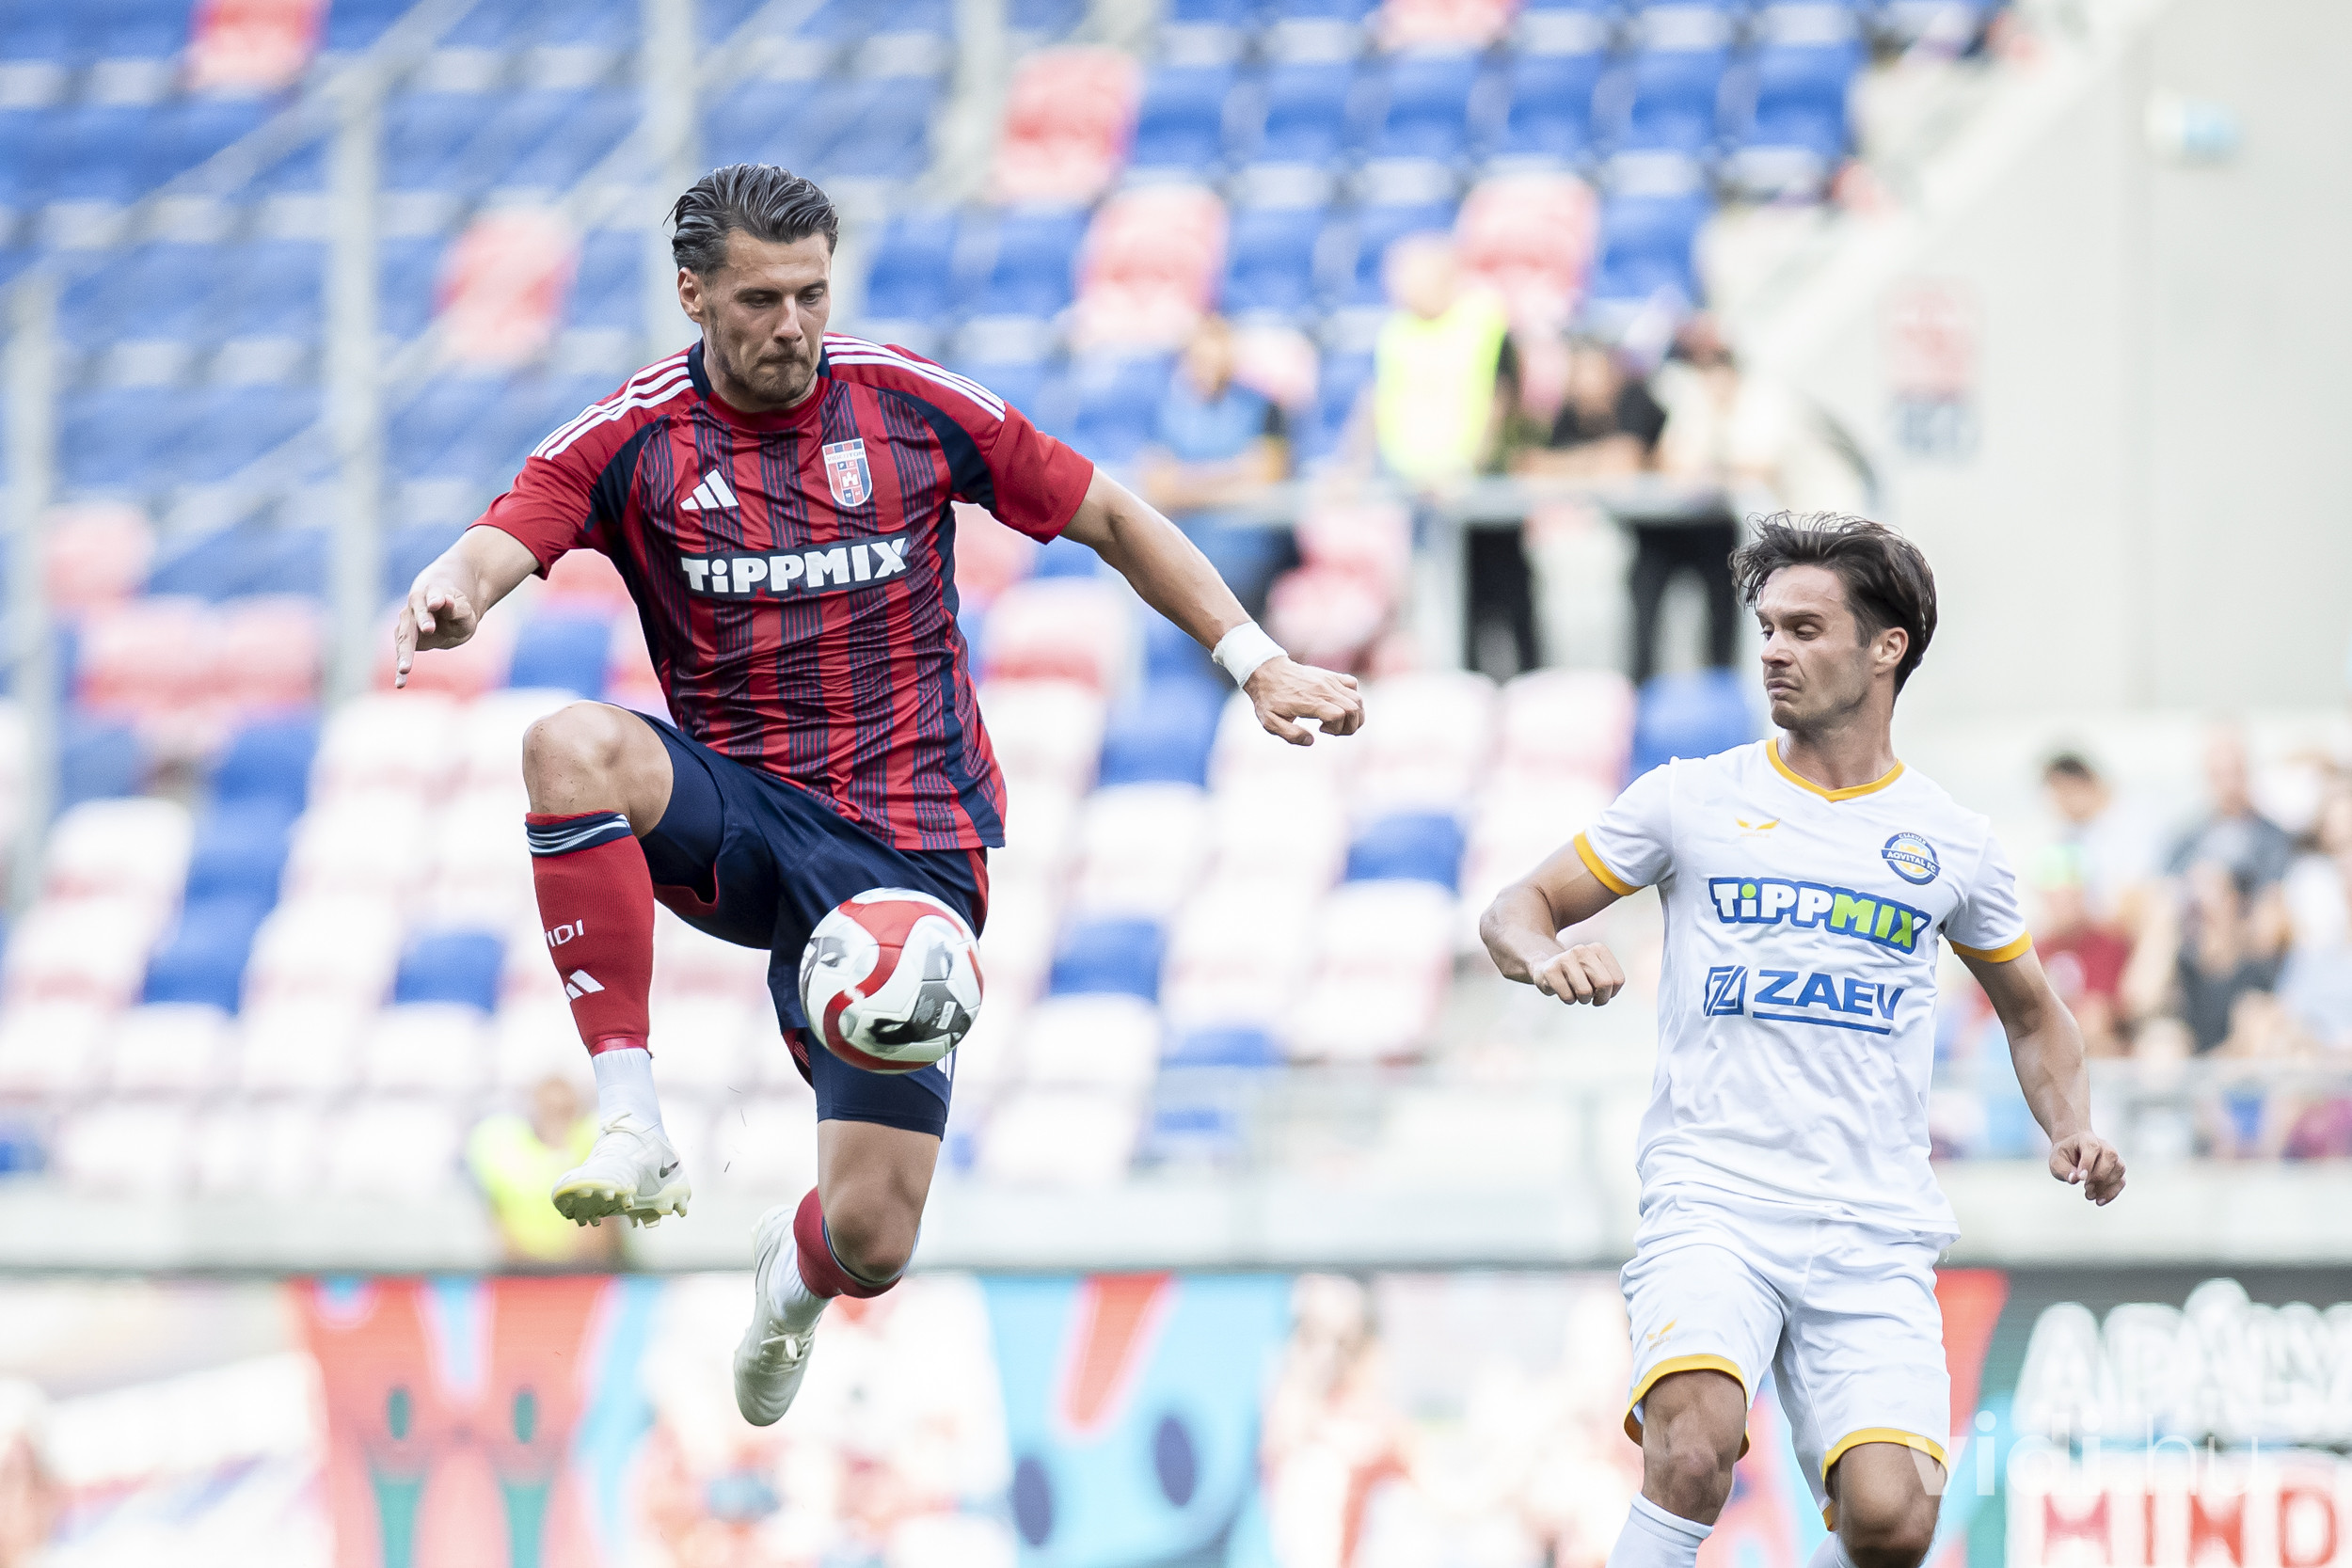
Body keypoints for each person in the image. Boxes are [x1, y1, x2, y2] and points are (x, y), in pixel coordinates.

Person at [391, 165, 1365, 1426]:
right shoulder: (633, 435)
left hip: (913, 845)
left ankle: (790, 1287)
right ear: (692, 294)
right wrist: (455, 587)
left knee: (874, 1234)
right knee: (567, 744)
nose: (792, 324)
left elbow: (1113, 515)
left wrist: (1255, 658)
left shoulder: (907, 403)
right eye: (759, 299)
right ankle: (631, 1117)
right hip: (744, 815)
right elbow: (502, 534)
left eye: (811, 293)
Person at [1478, 514, 2123, 1568]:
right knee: (1693, 1445)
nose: (1773, 649)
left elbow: (2032, 1011)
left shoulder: (1951, 842)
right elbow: (1516, 904)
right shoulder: (1691, 798)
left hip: (1870, 1222)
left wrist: (2071, 1126)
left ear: (1886, 647)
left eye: (1805, 628)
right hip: (1714, 1197)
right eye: (1767, 627)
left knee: (1893, 1521)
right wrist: (1544, 955)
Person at [1138, 313, 1296, 622]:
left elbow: (1268, 476)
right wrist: (1236, 474)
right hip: (1189, 560)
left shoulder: (1266, 408)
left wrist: (1185, 483)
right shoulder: (1168, 413)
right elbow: (1157, 487)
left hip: (1256, 563)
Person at [467, 1075, 620, 1267]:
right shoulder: (502, 1151)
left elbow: (599, 1235)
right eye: (549, 1110)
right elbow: (502, 1229)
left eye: (564, 1111)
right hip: (523, 1272)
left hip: (584, 1271)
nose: (556, 1121)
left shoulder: (598, 1148)